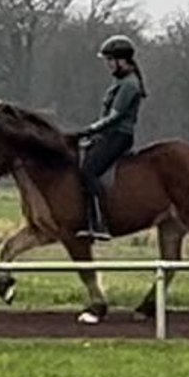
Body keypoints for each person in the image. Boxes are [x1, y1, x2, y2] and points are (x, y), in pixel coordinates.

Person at [71, 34, 147, 241]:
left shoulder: (129, 85)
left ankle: (100, 222)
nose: (108, 65)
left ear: (122, 60)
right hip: (109, 134)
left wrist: (88, 130)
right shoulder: (120, 81)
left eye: (110, 60)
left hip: (119, 136)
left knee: (89, 171)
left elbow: (114, 117)